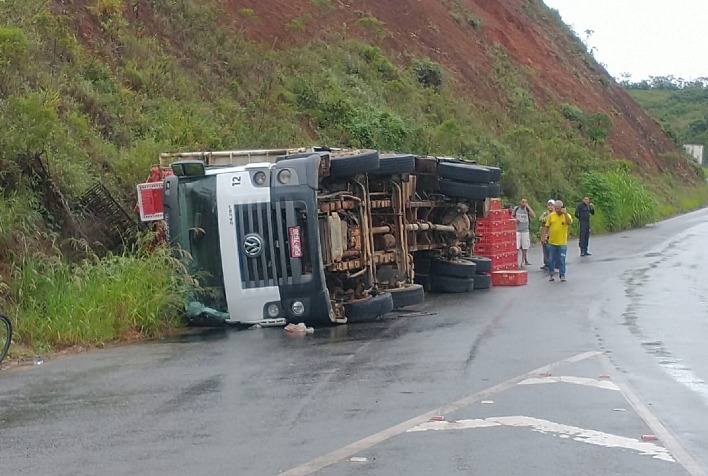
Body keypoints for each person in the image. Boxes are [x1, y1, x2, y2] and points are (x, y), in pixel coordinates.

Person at [544, 200, 573, 282]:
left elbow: (569, 222)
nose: (557, 210)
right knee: (551, 259)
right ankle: (551, 274)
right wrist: (544, 236)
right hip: (552, 241)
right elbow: (547, 226)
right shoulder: (551, 215)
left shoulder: (566, 216)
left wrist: (565, 213)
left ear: (562, 208)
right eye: (555, 208)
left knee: (561, 259)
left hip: (562, 242)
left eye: (558, 208)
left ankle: (562, 275)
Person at [512, 198, 536, 268]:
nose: (523, 203)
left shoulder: (527, 209)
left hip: (525, 230)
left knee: (524, 247)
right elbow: (511, 216)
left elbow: (533, 216)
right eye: (522, 202)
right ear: (520, 202)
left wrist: (528, 206)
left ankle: (523, 261)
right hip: (517, 230)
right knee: (517, 246)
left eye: (525, 202)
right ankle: (516, 261)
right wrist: (515, 220)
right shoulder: (516, 209)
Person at [539, 199, 555, 270]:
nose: (550, 207)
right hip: (544, 231)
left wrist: (547, 218)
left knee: (551, 248)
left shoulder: (555, 214)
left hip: (552, 232)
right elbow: (541, 219)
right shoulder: (545, 213)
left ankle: (552, 263)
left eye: (552, 205)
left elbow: (550, 221)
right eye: (549, 205)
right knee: (544, 247)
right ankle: (546, 262)